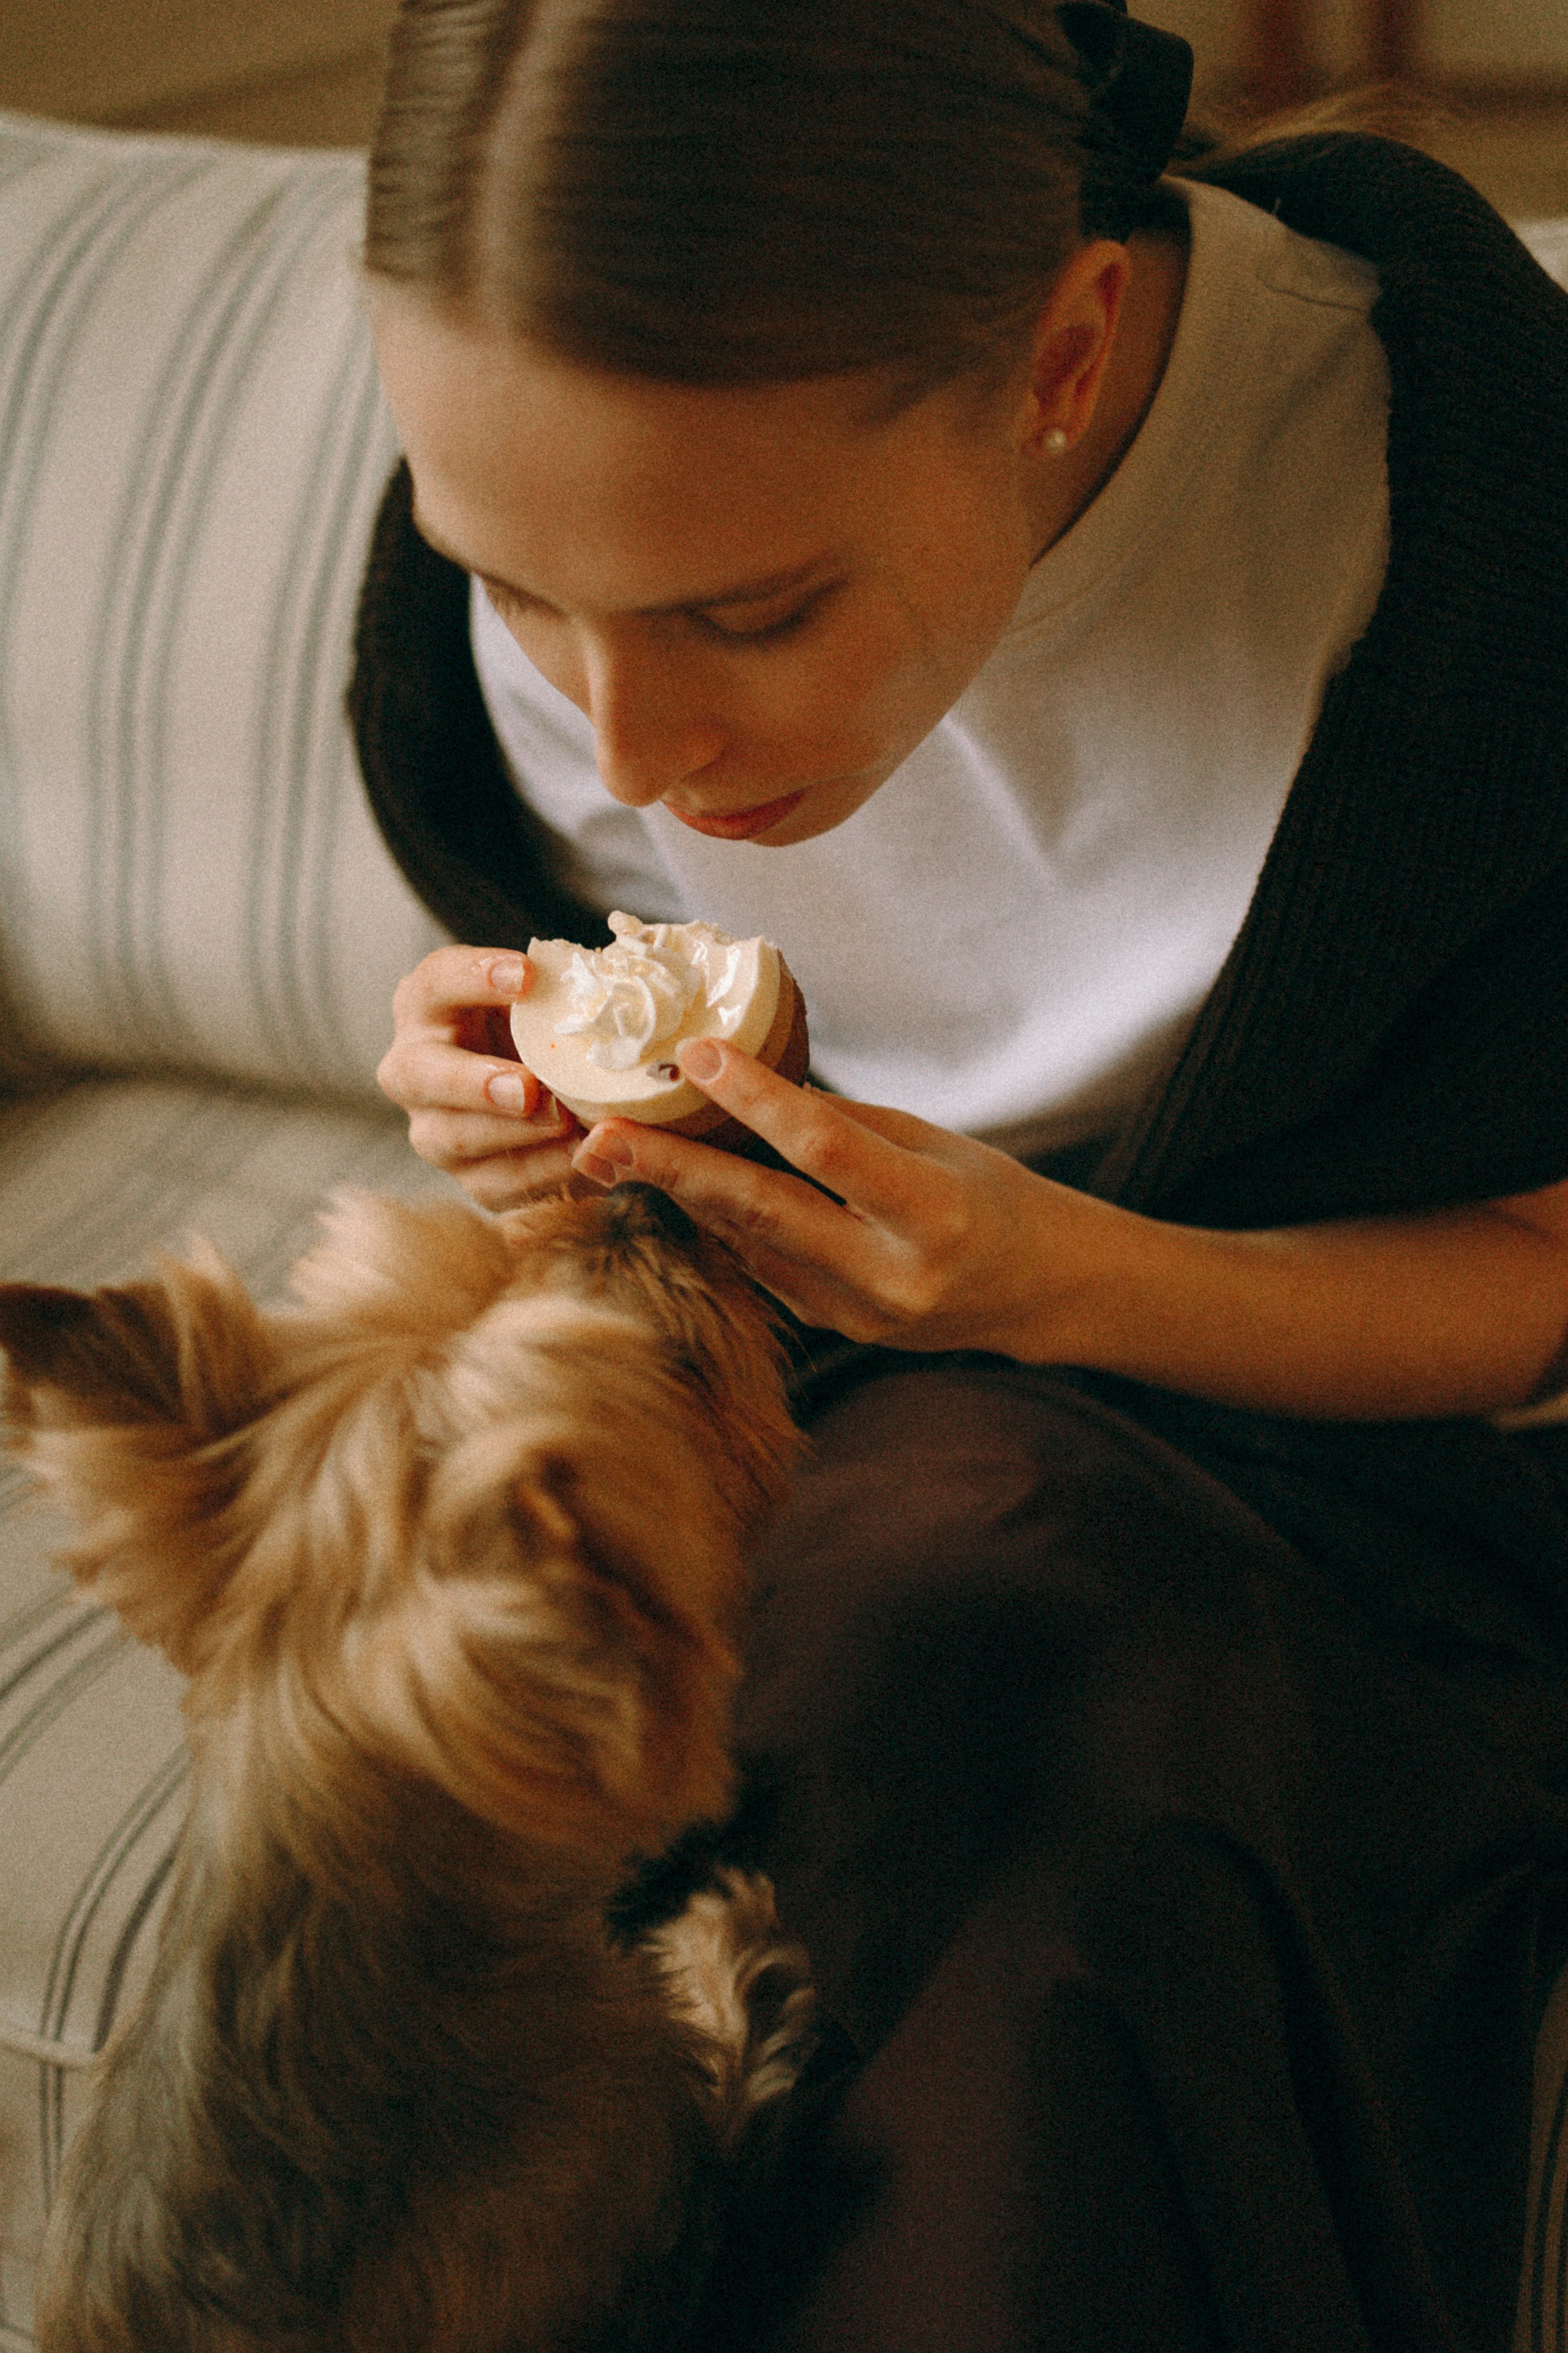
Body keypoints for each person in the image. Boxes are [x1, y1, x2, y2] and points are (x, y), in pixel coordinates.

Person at [353, 0, 1568, 2342]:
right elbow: (559, 927)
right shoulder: (544, 449)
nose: (635, 743)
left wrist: (1056, 1281)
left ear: (1063, 348)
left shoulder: (1473, 507)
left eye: (750, 609)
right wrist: (497, 1085)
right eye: (514, 589)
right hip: (805, 1452)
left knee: (968, 1768)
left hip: (1368, 1500)